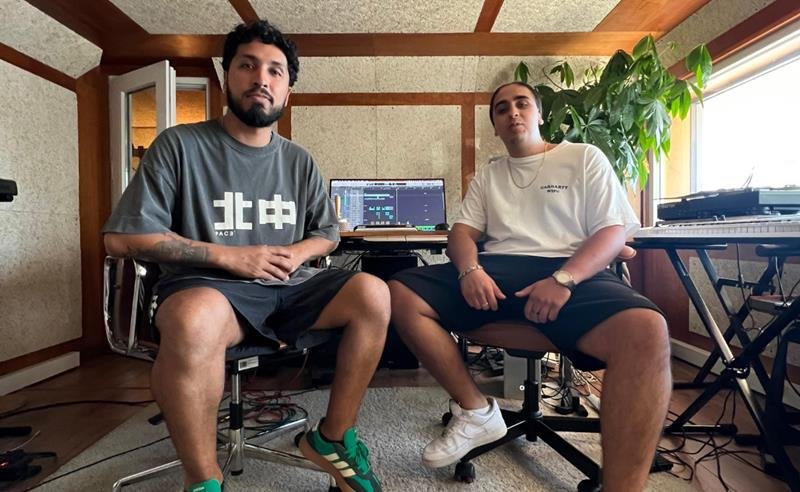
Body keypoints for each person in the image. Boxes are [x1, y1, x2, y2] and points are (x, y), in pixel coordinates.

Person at [103, 20, 387, 492]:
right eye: (248, 66)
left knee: (374, 293)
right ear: (226, 77)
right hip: (209, 292)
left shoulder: (299, 160)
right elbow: (120, 239)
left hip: (288, 291)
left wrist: (297, 253)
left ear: (287, 91)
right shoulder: (179, 145)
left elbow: (327, 233)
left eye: (276, 71)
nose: (262, 79)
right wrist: (229, 257)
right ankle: (204, 478)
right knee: (194, 319)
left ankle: (333, 438)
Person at [388, 81, 670, 492]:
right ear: (495, 126)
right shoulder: (490, 175)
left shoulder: (583, 157)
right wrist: (470, 271)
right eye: (501, 109)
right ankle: (475, 410)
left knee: (648, 329)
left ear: (539, 114)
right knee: (399, 291)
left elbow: (613, 232)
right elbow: (461, 234)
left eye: (521, 104)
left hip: (571, 269)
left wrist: (564, 279)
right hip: (498, 270)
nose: (512, 112)